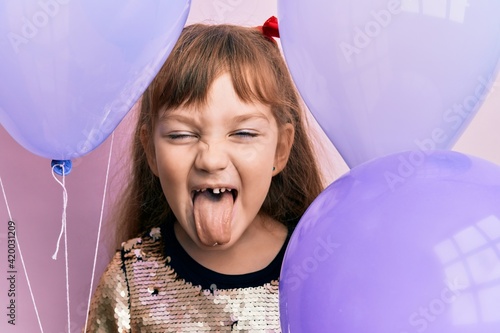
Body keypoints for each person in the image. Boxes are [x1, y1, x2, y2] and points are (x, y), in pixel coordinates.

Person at [86, 20, 325, 332]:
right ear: (151, 152)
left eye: (243, 133)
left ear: (280, 150)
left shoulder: (319, 266)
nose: (211, 159)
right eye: (182, 134)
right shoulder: (131, 277)